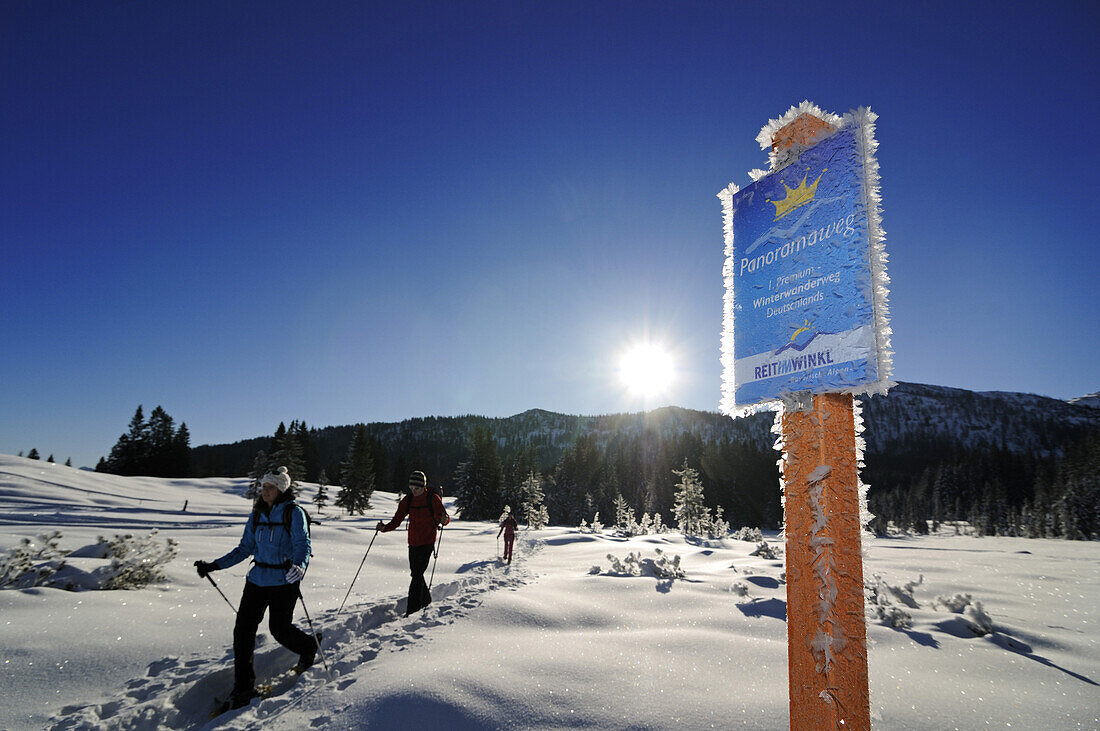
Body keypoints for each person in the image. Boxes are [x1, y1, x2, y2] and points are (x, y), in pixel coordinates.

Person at [194, 466, 318, 709]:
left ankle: (308, 647)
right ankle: (243, 688)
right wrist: (214, 566)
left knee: (279, 630)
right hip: (256, 581)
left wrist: (300, 566)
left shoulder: (293, 513)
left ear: (281, 489)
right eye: (263, 486)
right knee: (242, 633)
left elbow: (303, 544)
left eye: (270, 487)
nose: (264, 491)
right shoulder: (257, 514)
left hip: (285, 580)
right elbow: (244, 548)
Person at [377, 470, 450, 616]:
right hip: (413, 542)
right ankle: (426, 599)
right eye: (411, 488)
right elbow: (397, 520)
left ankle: (412, 610)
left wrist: (444, 520)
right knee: (416, 573)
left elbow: (444, 517)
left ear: (423, 486)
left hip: (427, 541)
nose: (413, 491)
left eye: (416, 488)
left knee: (417, 574)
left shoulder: (432, 498)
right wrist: (384, 528)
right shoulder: (408, 500)